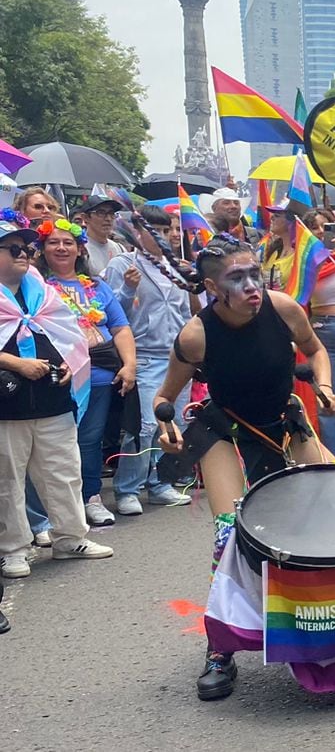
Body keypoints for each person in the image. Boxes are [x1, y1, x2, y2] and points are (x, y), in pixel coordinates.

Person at [148, 237, 335, 700]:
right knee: (231, 535)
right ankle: (221, 649)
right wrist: (164, 426)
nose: (253, 286)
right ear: (213, 287)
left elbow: (315, 352)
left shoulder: (285, 308)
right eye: (238, 279)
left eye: (255, 274)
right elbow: (163, 397)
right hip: (224, 430)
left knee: (325, 519)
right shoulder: (196, 335)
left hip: (284, 422)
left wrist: (326, 387)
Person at [0, 209, 114, 581]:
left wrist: (68, 364)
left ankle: (70, 538)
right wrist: (17, 364)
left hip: (52, 400)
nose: (23, 254)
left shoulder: (41, 291)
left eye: (26, 248)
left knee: (63, 472)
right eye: (12, 247)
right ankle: (13, 549)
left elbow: (67, 336)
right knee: (7, 480)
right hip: (7, 407)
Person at [36, 218, 134, 529]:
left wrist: (129, 364)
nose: (62, 248)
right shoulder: (36, 286)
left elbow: (120, 327)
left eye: (68, 243)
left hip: (100, 377)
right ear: (43, 249)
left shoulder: (99, 287)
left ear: (80, 249)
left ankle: (91, 497)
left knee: (90, 440)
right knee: (56, 444)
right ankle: (57, 508)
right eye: (54, 242)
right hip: (59, 379)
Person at [263, 208, 335, 463]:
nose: (319, 233)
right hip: (323, 333)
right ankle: (334, 465)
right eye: (313, 228)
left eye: (325, 227)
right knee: (327, 403)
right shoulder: (304, 264)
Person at [102, 206, 194, 515]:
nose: (163, 237)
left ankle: (160, 483)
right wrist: (128, 288)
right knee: (142, 426)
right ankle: (128, 488)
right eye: (155, 231)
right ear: (137, 233)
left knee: (174, 425)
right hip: (144, 355)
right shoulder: (123, 264)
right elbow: (109, 312)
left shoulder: (175, 266)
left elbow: (187, 312)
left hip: (177, 357)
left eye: (167, 230)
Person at [71, 195, 125, 275]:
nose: (108, 219)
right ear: (85, 218)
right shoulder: (79, 249)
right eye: (101, 213)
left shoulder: (120, 249)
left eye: (111, 213)